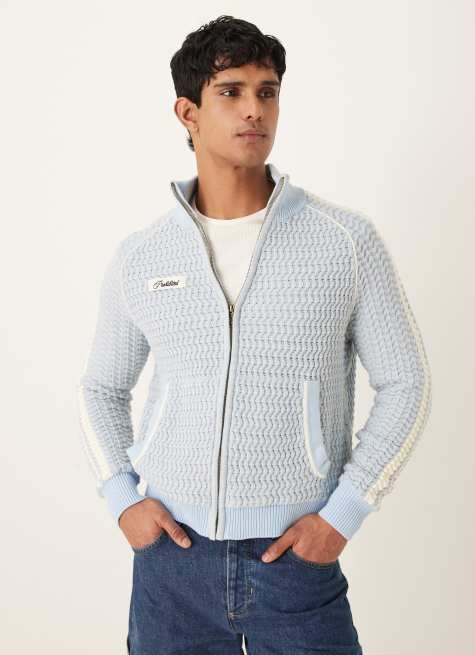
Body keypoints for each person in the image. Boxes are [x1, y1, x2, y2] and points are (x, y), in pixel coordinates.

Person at [77, 14, 432, 655]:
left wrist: (343, 514)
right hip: (171, 565)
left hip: (295, 560)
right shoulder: (143, 255)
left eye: (267, 92)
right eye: (231, 92)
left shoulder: (344, 243)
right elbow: (100, 388)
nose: (254, 110)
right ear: (188, 113)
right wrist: (122, 499)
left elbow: (407, 385)